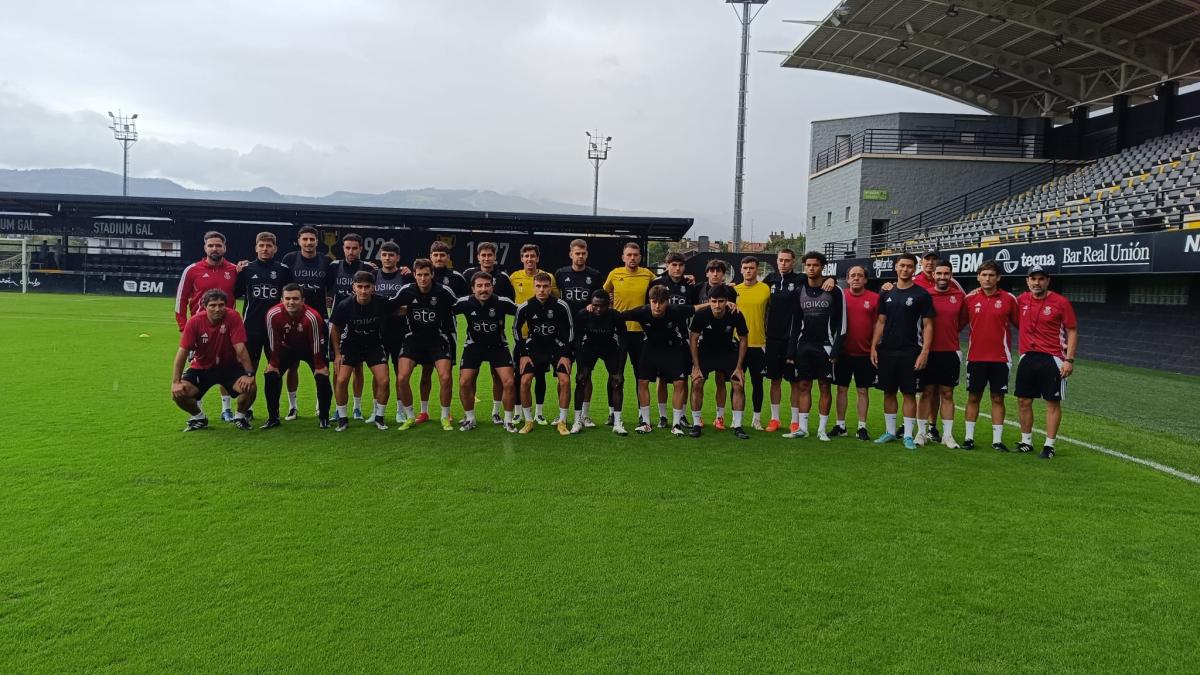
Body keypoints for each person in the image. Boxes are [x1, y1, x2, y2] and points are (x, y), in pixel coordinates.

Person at [618, 285, 704, 436]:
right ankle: (645, 422)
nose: (657, 306)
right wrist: (593, 308)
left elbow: (696, 308)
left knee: (678, 383)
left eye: (661, 302)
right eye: (654, 302)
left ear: (667, 302)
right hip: (650, 348)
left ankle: (676, 424)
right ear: (649, 301)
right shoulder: (642, 311)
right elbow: (618, 315)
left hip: (672, 348)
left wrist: (721, 304)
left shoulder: (675, 310)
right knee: (642, 382)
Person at [869, 253, 934, 450]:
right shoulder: (886, 294)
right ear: (896, 268)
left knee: (908, 393)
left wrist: (925, 352)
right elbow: (880, 322)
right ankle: (889, 432)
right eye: (902, 266)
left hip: (911, 351)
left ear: (915, 270)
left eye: (909, 266)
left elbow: (928, 325)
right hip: (887, 351)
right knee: (888, 392)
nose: (905, 269)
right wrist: (873, 346)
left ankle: (907, 435)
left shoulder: (921, 295)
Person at [174, 230, 240, 422]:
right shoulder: (192, 270)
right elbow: (181, 300)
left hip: (227, 331)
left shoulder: (234, 270)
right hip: (199, 331)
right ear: (205, 247)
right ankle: (198, 411)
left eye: (218, 245)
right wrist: (184, 329)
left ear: (225, 248)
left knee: (226, 366)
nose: (214, 248)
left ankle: (226, 409)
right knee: (198, 368)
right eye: (211, 245)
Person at [171, 289, 257, 432]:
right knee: (179, 393)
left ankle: (240, 417)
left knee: (250, 388)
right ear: (205, 306)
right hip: (201, 368)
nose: (217, 309)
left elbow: (240, 348)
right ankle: (199, 417)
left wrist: (249, 375)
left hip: (230, 368)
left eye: (221, 304)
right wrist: (175, 382)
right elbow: (182, 352)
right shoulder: (194, 322)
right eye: (213, 305)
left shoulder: (233, 316)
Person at [1015, 265, 1078, 458]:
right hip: (1027, 356)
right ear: (1027, 281)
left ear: (1048, 281)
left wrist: (1069, 359)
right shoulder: (1021, 300)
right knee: (1023, 401)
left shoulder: (1061, 302)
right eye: (1033, 279)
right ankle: (1026, 441)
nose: (1037, 282)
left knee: (1052, 402)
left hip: (1053, 358)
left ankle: (1049, 446)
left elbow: (1072, 330)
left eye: (1041, 279)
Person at [391, 259, 460, 431]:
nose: (423, 278)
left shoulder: (443, 291)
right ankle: (410, 416)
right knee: (402, 377)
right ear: (414, 275)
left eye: (426, 275)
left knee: (444, 377)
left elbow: (460, 307)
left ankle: (445, 416)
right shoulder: (406, 291)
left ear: (432, 275)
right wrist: (400, 311)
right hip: (413, 339)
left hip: (438, 339)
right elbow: (389, 306)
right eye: (419, 275)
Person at [782, 251, 844, 441]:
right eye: (808, 265)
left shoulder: (834, 290)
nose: (811, 268)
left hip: (826, 346)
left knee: (825, 386)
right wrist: (791, 350)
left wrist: (837, 348)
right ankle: (803, 428)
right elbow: (795, 323)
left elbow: (842, 322)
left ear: (822, 267)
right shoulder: (799, 291)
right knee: (803, 385)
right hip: (804, 346)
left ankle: (822, 429)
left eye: (815, 265)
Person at [962, 260, 1019, 451]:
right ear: (978, 277)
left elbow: (1021, 325)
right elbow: (956, 324)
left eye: (991, 275)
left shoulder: (1009, 299)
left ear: (998, 278)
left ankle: (997, 440)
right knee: (973, 397)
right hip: (975, 357)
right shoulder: (969, 299)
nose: (987, 279)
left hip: (1001, 359)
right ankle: (969, 438)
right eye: (984, 275)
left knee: (998, 398)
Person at [453, 271, 519, 432]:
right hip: (474, 346)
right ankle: (470, 418)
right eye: (479, 286)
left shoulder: (502, 302)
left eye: (487, 285)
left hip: (498, 346)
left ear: (492, 286)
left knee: (509, 382)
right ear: (473, 288)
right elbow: (443, 310)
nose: (484, 289)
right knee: (464, 382)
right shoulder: (464, 302)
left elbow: (524, 312)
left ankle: (508, 420)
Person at [328, 271, 392, 432]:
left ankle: (379, 417)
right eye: (360, 287)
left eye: (367, 287)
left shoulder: (382, 302)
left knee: (384, 380)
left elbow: (398, 312)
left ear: (373, 288)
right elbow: (335, 329)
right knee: (342, 380)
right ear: (354, 287)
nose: (363, 291)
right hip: (351, 344)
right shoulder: (344, 305)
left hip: (373, 345)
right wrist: (336, 354)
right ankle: (342, 418)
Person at [234, 232, 293, 404]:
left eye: (268, 246)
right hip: (251, 329)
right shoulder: (246, 269)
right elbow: (235, 294)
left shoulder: (283, 270)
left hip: (275, 330)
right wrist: (237, 272)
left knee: (275, 371)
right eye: (261, 245)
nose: (265, 249)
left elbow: (289, 298)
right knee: (248, 371)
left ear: (275, 248)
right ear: (256, 248)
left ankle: (272, 413)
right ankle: (246, 410)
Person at [513, 273, 575, 435]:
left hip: (556, 347)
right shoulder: (525, 306)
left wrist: (565, 354)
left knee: (565, 381)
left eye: (545, 286)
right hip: (534, 347)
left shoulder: (561, 305)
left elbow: (570, 330)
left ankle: (562, 421)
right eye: (538, 286)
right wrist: (524, 353)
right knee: (525, 381)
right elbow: (516, 329)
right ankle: (528, 421)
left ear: (550, 288)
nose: (541, 290)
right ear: (533, 287)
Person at [262, 284, 332, 429]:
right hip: (286, 348)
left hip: (310, 348)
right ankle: (273, 417)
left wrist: (320, 366)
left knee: (322, 377)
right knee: (271, 375)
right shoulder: (272, 314)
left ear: (303, 300)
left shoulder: (312, 317)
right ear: (281, 299)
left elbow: (316, 343)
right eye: (287, 299)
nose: (291, 302)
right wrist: (273, 364)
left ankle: (324, 417)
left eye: (295, 299)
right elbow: (273, 341)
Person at [282, 225, 333, 419]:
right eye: (305, 239)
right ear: (299, 240)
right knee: (292, 365)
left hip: (318, 319)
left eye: (312, 239)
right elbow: (284, 286)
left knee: (320, 365)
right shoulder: (290, 259)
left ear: (317, 241)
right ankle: (293, 406)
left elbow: (331, 286)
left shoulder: (326, 261)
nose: (309, 243)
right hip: (292, 320)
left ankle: (321, 406)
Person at [462, 241, 516, 424]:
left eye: (489, 255)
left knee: (499, 377)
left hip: (497, 341)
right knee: (468, 379)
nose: (486, 258)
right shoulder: (468, 275)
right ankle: (469, 417)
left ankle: (496, 412)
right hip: (474, 342)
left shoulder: (502, 279)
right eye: (483, 255)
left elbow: (516, 307)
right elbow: (453, 304)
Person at [603, 242, 657, 422]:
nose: (632, 258)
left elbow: (663, 286)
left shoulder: (647, 274)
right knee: (615, 373)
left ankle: (642, 413)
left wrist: (687, 278)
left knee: (640, 375)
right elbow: (603, 295)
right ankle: (612, 412)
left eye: (635, 255)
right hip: (619, 332)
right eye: (629, 255)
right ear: (623, 257)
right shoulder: (614, 274)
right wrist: (609, 305)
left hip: (641, 333)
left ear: (640, 257)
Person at [687, 284, 750, 440]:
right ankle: (696, 424)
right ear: (709, 301)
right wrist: (695, 366)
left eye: (721, 301)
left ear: (726, 301)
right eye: (714, 301)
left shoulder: (735, 314)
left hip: (727, 351)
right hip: (706, 352)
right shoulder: (702, 315)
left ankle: (738, 425)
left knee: (738, 383)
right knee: (697, 382)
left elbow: (743, 339)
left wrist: (739, 367)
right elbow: (693, 339)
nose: (717, 305)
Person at [917, 260, 969, 448]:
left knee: (947, 393)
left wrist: (950, 332)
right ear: (933, 275)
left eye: (946, 274)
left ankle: (947, 435)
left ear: (951, 274)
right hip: (927, 351)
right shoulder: (925, 295)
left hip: (950, 351)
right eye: (939, 273)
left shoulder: (958, 296)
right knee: (926, 393)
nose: (942, 277)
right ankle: (921, 433)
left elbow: (963, 320)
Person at [415, 241, 469, 420]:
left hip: (447, 331)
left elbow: (466, 300)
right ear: (430, 256)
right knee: (426, 371)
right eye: (436, 255)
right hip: (422, 332)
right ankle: (424, 411)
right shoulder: (419, 275)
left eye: (442, 255)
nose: (439, 258)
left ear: (448, 257)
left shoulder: (456, 278)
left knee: (446, 374)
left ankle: (447, 413)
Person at [554, 239, 604, 427]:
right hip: (565, 331)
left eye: (583, 253)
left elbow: (600, 298)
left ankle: (584, 414)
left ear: (587, 254)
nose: (580, 256)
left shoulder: (595, 275)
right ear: (571, 254)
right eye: (577, 253)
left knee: (586, 374)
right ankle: (562, 415)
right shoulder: (560, 273)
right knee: (563, 375)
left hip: (587, 330)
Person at [326, 233, 374, 421]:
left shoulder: (368, 268)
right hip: (339, 322)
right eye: (347, 248)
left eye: (355, 248)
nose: (351, 251)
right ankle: (338, 407)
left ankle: (357, 406)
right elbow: (325, 287)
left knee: (358, 367)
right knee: (338, 366)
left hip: (359, 322)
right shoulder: (334, 267)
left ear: (361, 248)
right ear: (343, 248)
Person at [647, 252, 698, 427]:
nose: (677, 268)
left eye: (680, 265)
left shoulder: (690, 285)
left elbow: (696, 308)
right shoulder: (656, 283)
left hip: (681, 338)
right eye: (673, 265)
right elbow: (648, 309)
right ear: (667, 265)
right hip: (659, 339)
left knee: (682, 379)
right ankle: (663, 416)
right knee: (661, 379)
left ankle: (681, 415)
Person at [509, 244, 557, 425]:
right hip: (521, 337)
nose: (529, 259)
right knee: (519, 375)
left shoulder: (547, 277)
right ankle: (517, 411)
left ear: (538, 258)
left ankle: (539, 412)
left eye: (532, 256)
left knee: (540, 375)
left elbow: (556, 301)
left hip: (542, 337)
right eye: (526, 256)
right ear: (521, 258)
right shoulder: (514, 277)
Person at [571, 289, 629, 436]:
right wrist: (579, 368)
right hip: (589, 347)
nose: (598, 309)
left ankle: (617, 422)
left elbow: (623, 344)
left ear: (608, 305)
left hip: (609, 348)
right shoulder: (583, 315)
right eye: (595, 305)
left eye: (602, 306)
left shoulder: (616, 316)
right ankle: (577, 420)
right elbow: (577, 342)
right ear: (591, 303)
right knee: (582, 379)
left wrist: (620, 372)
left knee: (617, 381)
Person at [831, 265, 878, 441]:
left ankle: (862, 427)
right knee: (841, 389)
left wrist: (874, 347)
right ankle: (840, 425)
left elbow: (878, 325)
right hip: (843, 353)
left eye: (860, 275)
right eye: (853, 275)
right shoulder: (840, 296)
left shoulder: (875, 299)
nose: (856, 278)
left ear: (865, 279)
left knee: (863, 391)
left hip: (864, 353)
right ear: (848, 279)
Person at [373, 242, 410, 424]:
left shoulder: (405, 276)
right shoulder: (373, 275)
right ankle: (376, 410)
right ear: (380, 255)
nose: (387, 258)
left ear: (398, 257)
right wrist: (393, 308)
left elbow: (407, 306)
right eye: (384, 254)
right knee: (378, 373)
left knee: (400, 373)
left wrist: (387, 309)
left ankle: (400, 410)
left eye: (391, 255)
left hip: (400, 331)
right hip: (377, 331)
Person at [733, 256, 770, 430]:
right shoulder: (734, 290)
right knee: (737, 382)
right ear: (741, 270)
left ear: (758, 270)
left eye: (752, 268)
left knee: (758, 382)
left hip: (758, 344)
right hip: (736, 343)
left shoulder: (765, 289)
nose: (748, 271)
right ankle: (735, 418)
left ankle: (756, 418)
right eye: (746, 267)